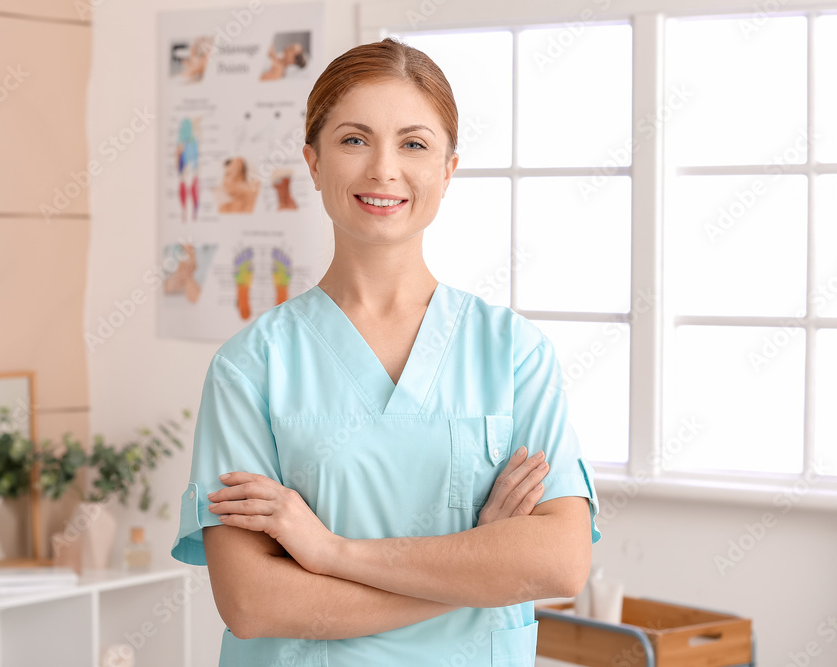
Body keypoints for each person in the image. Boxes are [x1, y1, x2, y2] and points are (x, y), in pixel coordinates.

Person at [171, 37, 600, 666]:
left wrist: (330, 553)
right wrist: (477, 566)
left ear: (448, 170)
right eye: (353, 139)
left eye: (414, 143)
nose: (383, 169)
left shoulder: (514, 354)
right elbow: (252, 602)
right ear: (313, 163)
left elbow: (560, 564)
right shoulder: (252, 366)